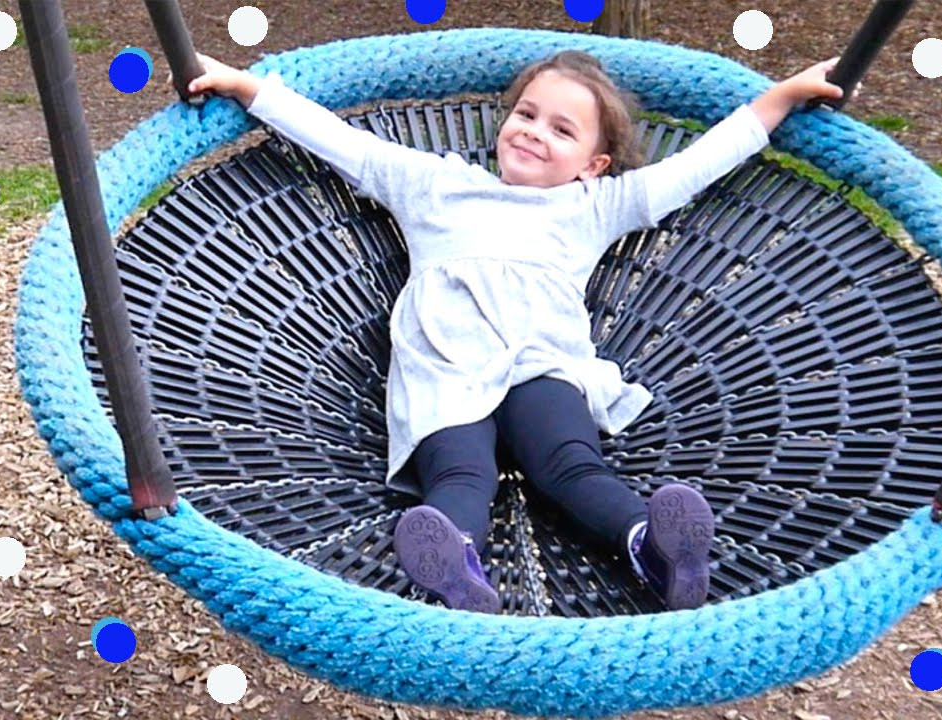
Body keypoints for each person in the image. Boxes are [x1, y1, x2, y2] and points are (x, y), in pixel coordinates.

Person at [186, 48, 845, 615]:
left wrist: (779, 99)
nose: (533, 131)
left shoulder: (593, 206)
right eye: (526, 114)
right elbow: (340, 142)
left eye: (562, 129)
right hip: (445, 372)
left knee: (569, 464)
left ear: (594, 164)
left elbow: (693, 168)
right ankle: (456, 566)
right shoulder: (434, 184)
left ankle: (656, 546)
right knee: (461, 477)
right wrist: (251, 89)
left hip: (540, 366)